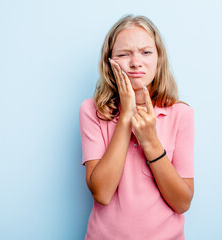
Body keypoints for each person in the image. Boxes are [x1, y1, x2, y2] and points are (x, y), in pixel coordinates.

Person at [79, 14, 195, 240]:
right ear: (109, 61)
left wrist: (150, 140)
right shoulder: (91, 110)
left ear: (158, 59)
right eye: (124, 54)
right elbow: (102, 193)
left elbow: (182, 203)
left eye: (146, 52)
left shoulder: (181, 114)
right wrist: (125, 118)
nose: (135, 62)